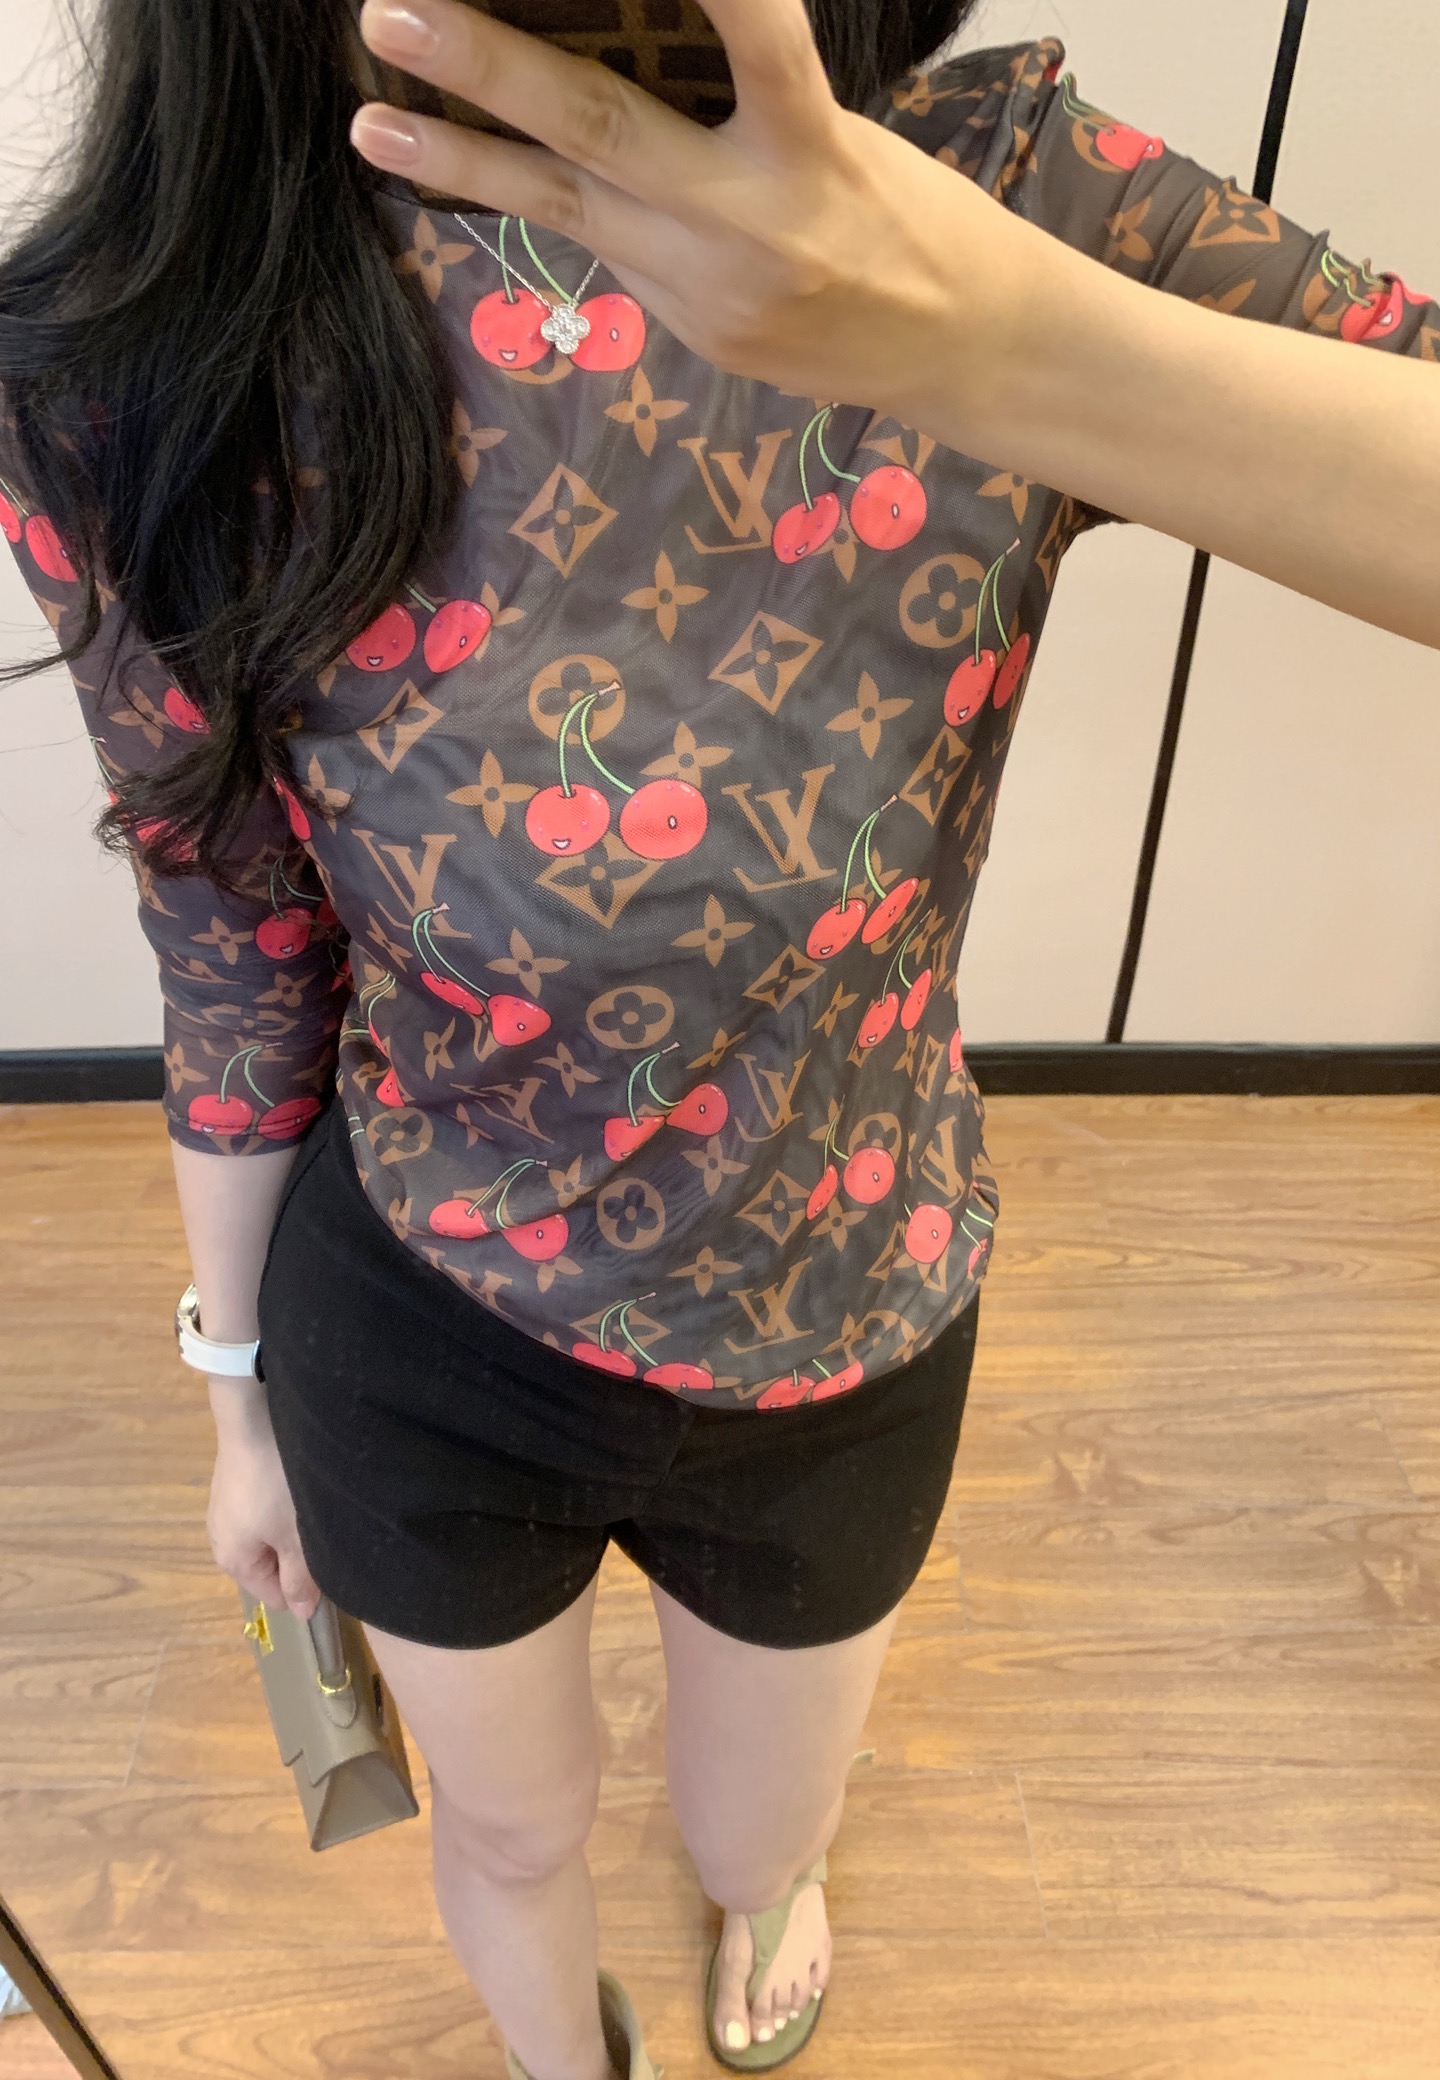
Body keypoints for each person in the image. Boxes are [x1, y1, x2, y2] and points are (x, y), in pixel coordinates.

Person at [0, 2, 1434, 2075]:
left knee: (766, 1822)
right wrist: (236, 1403)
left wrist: (1004, 343)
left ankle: (767, 1878)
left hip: (849, 1303)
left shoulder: (996, 205)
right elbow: (230, 939)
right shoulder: (150, 355)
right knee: (508, 1825)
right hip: (420, 1316)